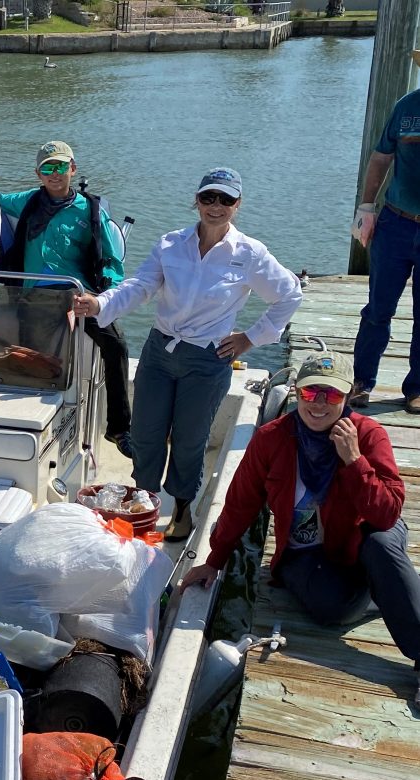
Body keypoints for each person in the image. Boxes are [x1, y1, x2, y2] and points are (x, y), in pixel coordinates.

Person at [182, 352, 420, 706]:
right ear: (296, 392)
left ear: (349, 395)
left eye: (332, 395)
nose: (320, 404)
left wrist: (354, 461)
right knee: (331, 611)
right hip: (308, 550)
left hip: (364, 537)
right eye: (311, 393)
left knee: (383, 546)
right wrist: (214, 560)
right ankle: (388, 591)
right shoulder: (271, 438)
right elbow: (241, 503)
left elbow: (387, 514)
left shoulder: (368, 435)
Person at [77, 167, 303, 541]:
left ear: (238, 205)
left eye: (226, 200)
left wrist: (251, 338)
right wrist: (99, 304)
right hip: (159, 351)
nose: (216, 206)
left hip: (208, 360)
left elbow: (290, 294)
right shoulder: (170, 243)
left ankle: (182, 506)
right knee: (145, 434)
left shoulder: (250, 253)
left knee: (189, 439)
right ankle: (145, 501)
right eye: (209, 198)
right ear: (196, 201)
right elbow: (140, 286)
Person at [0, 141, 132, 457]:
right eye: (48, 168)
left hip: (79, 294)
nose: (55, 173)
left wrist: (103, 296)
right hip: (36, 297)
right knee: (33, 362)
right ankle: (29, 430)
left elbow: (113, 261)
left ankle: (119, 428)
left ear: (73, 169)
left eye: (61, 166)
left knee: (116, 346)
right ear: (38, 174)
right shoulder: (25, 202)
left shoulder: (91, 209)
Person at [350, 52, 420, 415]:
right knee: (378, 308)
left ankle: (417, 388)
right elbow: (381, 157)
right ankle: (362, 381)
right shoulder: (406, 107)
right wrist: (366, 208)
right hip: (395, 222)